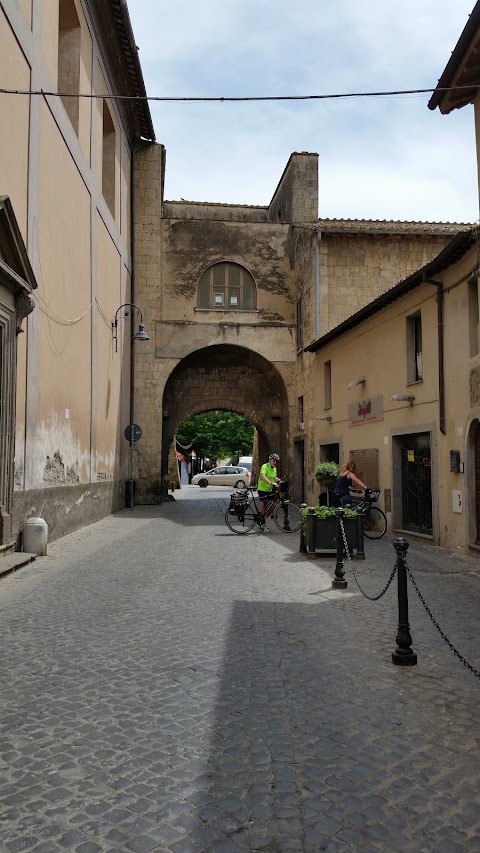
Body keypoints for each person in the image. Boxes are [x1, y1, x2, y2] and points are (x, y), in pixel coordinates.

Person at [257, 453, 281, 532]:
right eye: (274, 461)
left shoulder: (274, 469)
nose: (275, 463)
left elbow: (273, 478)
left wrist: (280, 481)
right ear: (270, 460)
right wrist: (271, 483)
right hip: (262, 489)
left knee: (275, 503)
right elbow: (263, 476)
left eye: (277, 461)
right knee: (263, 505)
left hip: (269, 489)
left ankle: (264, 517)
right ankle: (262, 523)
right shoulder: (265, 466)